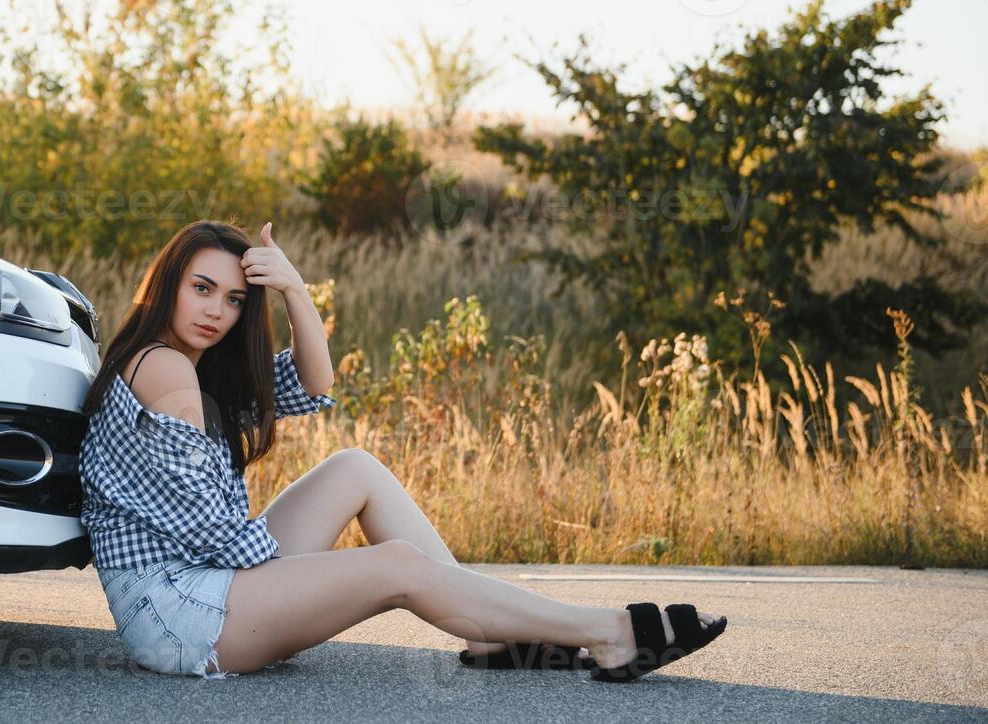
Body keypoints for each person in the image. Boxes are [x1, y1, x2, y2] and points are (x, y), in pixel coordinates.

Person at [78, 219, 726, 680]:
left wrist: (295, 291)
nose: (217, 310)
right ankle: (606, 633)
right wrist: (312, 578)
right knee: (395, 567)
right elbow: (210, 532)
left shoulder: (190, 367)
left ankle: (488, 632)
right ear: (168, 282)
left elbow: (312, 384)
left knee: (353, 470)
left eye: (234, 298)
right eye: (201, 288)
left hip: (205, 585)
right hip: (180, 616)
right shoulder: (164, 370)